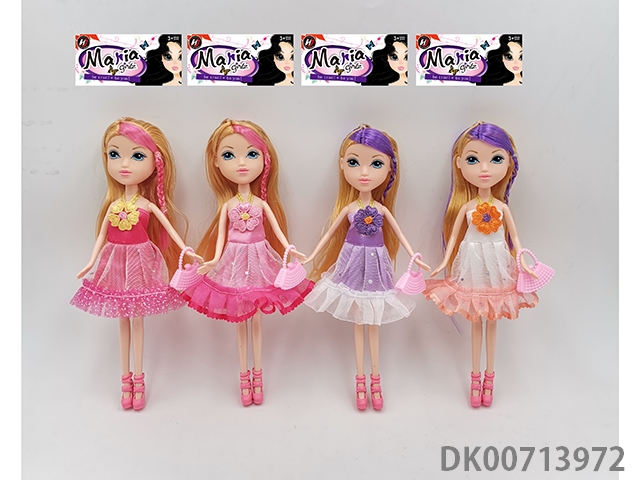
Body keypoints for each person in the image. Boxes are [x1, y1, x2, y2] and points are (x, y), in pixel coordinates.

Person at [304, 125, 429, 411]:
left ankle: (376, 380)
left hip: (375, 265)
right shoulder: (349, 209)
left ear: (390, 168)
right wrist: (311, 256)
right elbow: (328, 235)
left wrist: (414, 256)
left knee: (373, 322)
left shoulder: (381, 210)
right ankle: (360, 382)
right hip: (351, 263)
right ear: (342, 165)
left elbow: (400, 235)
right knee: (359, 322)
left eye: (375, 164)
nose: (364, 173)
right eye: (354, 162)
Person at [424, 121, 538, 407]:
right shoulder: (467, 207)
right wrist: (444, 262)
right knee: (476, 320)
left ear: (509, 163)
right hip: (472, 261)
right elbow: (453, 237)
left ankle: (490, 378)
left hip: (497, 261)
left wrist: (523, 259)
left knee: (493, 321)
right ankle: (476, 379)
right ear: (459, 164)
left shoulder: (501, 208)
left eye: (496, 159)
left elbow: (514, 237)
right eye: (474, 160)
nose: (484, 169)